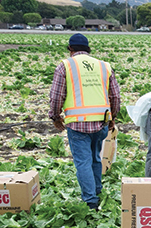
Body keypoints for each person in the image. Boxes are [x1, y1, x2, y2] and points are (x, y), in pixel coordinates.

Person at [49, 33, 121, 210]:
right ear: (88, 49)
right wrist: (113, 117)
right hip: (100, 121)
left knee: (83, 162)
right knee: (96, 158)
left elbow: (56, 96)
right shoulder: (104, 66)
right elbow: (115, 96)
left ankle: (90, 201)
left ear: (70, 49)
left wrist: (55, 117)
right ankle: (97, 190)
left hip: (77, 124)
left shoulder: (65, 66)